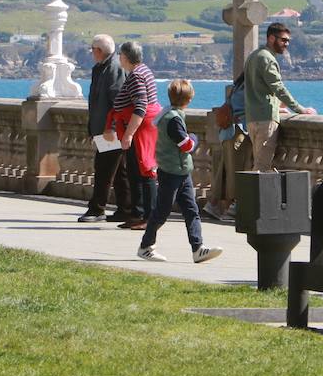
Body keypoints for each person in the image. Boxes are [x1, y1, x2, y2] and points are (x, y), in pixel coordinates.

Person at [136, 79, 223, 264]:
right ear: (188, 99)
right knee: (162, 211)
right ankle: (145, 246)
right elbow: (186, 146)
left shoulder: (167, 114)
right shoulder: (173, 119)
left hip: (180, 171)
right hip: (172, 172)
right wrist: (194, 138)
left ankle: (198, 248)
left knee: (192, 210)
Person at [243, 22, 317, 172]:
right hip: (265, 119)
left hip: (252, 117)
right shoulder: (267, 59)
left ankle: (250, 195)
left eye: (288, 40)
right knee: (262, 168)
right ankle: (254, 196)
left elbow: (259, 87)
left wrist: (277, 106)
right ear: (271, 38)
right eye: (283, 40)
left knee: (257, 164)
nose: (286, 44)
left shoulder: (253, 56)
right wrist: (300, 109)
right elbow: (278, 88)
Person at [104, 41, 160, 230]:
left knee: (142, 172)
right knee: (138, 173)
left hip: (139, 131)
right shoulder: (144, 71)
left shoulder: (136, 76)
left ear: (126, 57)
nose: (119, 57)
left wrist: (128, 134)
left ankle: (146, 215)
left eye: (120, 54)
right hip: (141, 128)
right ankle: (138, 213)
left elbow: (140, 106)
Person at [78, 34, 130, 222]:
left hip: (111, 130)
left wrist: (113, 127)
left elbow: (118, 101)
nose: (92, 53)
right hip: (105, 128)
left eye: (93, 49)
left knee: (104, 169)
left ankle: (97, 208)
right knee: (119, 172)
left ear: (99, 51)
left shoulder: (113, 68)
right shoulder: (101, 68)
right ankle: (126, 207)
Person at [204, 74, 250, 221]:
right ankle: (232, 207)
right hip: (238, 132)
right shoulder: (248, 87)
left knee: (224, 168)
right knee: (235, 172)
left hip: (226, 132)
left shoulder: (236, 86)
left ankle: (213, 204)